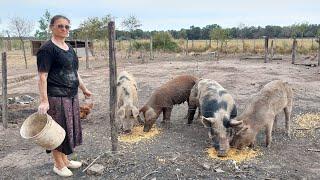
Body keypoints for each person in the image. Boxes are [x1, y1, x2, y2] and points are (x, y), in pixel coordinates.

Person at [37, 15, 92, 177]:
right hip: (56, 97)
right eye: (60, 26)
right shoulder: (47, 49)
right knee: (56, 132)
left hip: (71, 96)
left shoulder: (69, 48)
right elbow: (42, 76)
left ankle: (66, 160)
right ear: (51, 27)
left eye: (67, 27)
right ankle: (58, 165)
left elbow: (74, 71)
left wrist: (84, 89)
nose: (64, 29)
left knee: (67, 130)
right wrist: (44, 100)